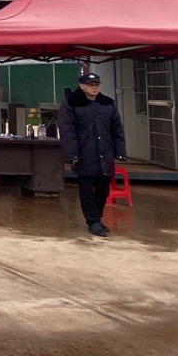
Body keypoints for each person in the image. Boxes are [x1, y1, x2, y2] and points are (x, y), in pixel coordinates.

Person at [58, 70, 127, 237]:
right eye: (90, 85)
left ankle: (97, 217)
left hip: (105, 153)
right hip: (85, 154)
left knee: (103, 189)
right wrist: (72, 154)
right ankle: (92, 221)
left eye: (96, 85)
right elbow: (67, 131)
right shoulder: (71, 104)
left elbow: (117, 129)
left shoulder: (107, 104)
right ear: (81, 86)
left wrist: (120, 151)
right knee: (87, 190)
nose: (94, 88)